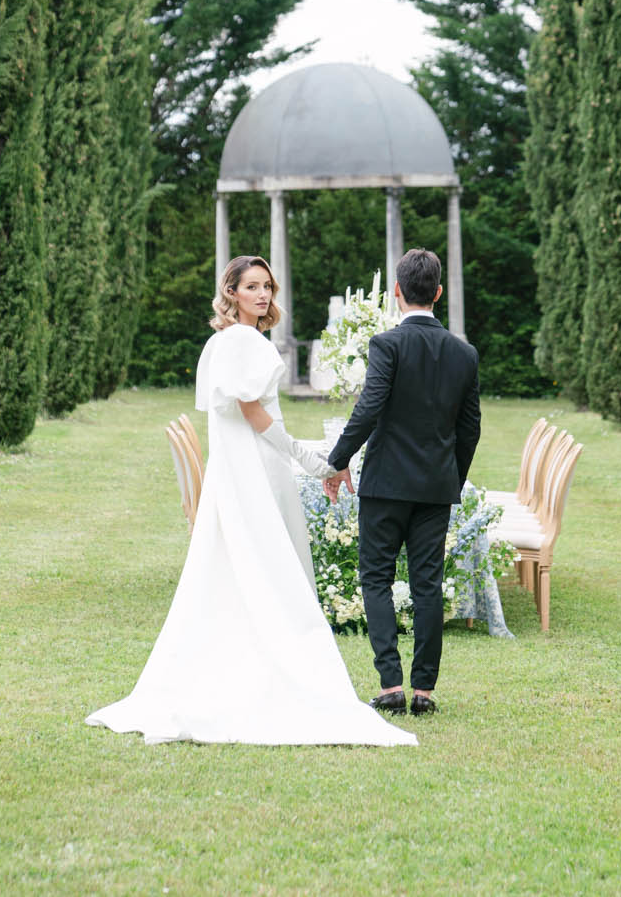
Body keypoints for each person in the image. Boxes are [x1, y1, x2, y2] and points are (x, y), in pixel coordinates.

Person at [86, 256, 416, 746]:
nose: (263, 295)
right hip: (254, 470)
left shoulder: (227, 341)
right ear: (232, 294)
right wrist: (310, 459)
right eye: (252, 287)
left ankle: (245, 661)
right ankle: (271, 669)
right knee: (269, 566)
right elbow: (253, 413)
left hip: (240, 468)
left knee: (240, 566)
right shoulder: (241, 340)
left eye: (267, 286)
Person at [325, 247, 481, 717]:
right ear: (437, 293)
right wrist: (451, 478)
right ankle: (424, 692)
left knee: (375, 578)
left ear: (397, 292)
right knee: (427, 584)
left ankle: (390, 684)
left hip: (385, 485)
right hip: (435, 487)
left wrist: (337, 461)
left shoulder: (387, 345)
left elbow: (368, 409)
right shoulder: (464, 353)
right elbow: (470, 429)